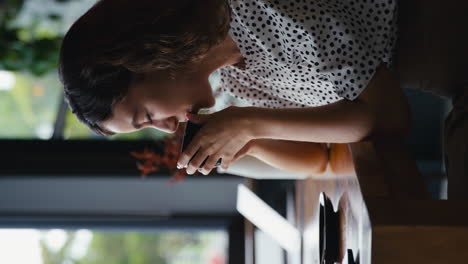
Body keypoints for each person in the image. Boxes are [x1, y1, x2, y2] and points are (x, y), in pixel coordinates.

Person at [59, 0, 408, 177]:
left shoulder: (258, 12)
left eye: (146, 115)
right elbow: (324, 160)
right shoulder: (237, 78)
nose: (166, 127)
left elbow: (389, 118)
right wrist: (251, 141)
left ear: (145, 58)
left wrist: (249, 123)